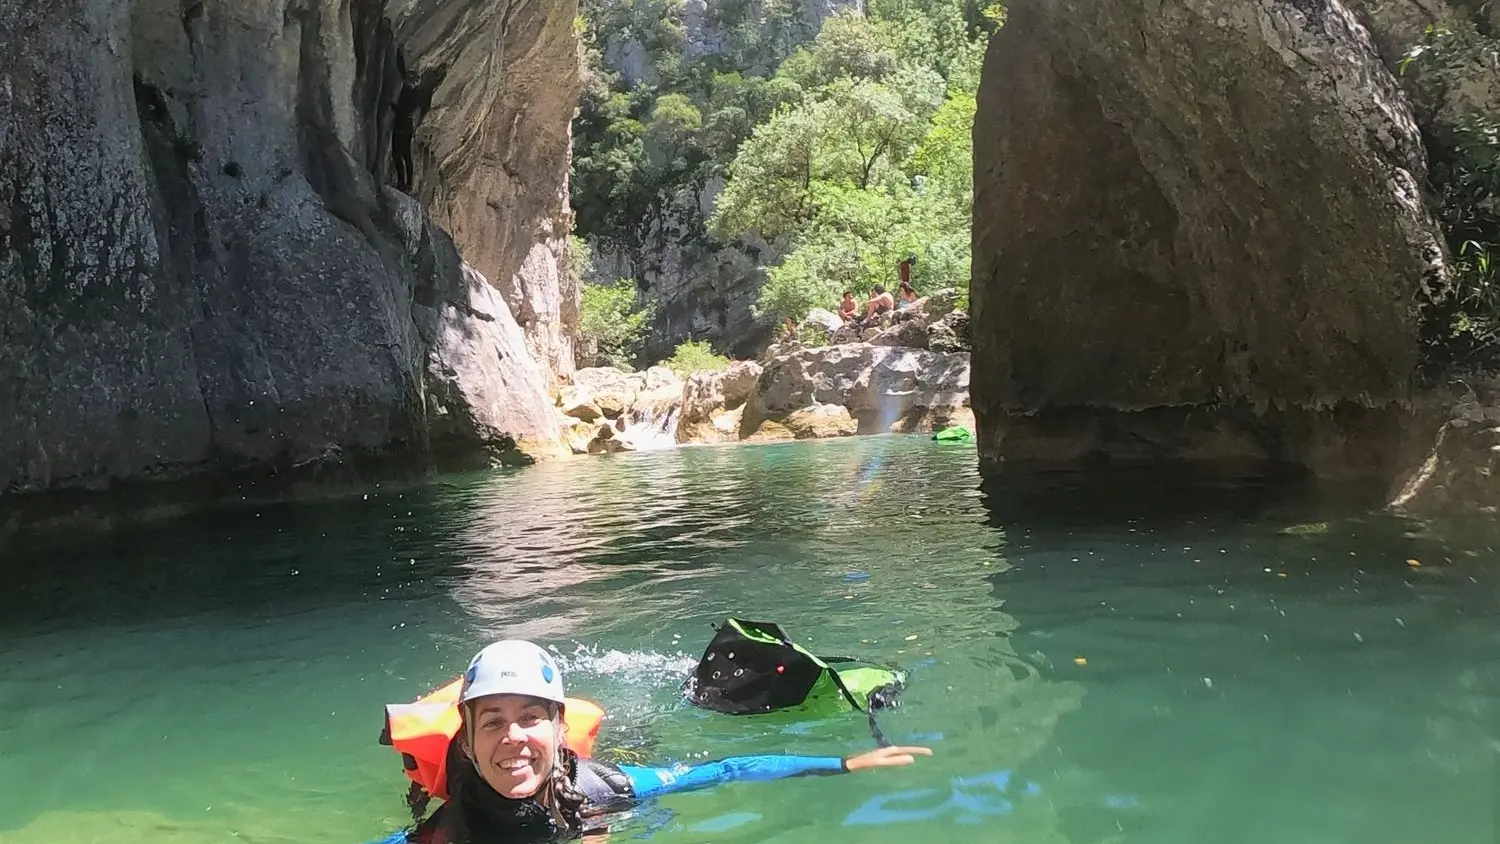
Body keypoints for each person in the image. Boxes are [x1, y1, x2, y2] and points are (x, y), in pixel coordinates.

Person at [393, 640, 932, 844]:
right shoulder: (443, 832)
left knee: (633, 757)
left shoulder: (606, 786)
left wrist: (841, 762)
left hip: (608, 780)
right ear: (466, 742)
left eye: (530, 718)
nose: (513, 738)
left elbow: (721, 771)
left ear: (560, 730)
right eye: (492, 722)